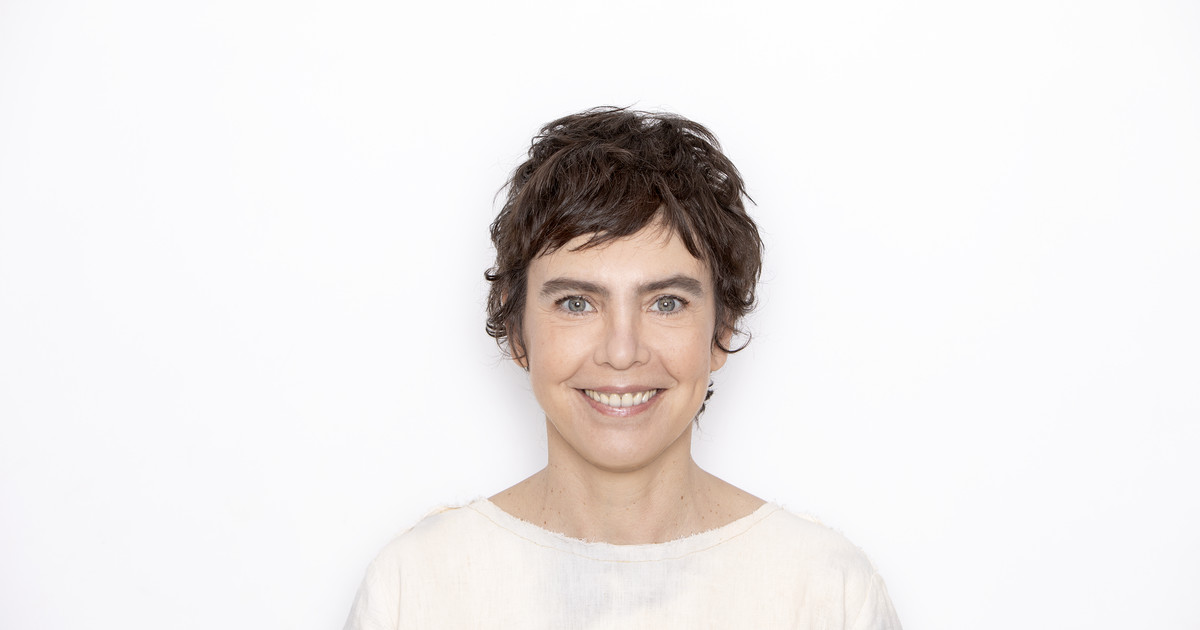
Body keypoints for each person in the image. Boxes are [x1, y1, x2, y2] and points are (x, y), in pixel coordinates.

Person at [343, 107, 902, 629]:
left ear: (721, 330)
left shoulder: (826, 593)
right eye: (576, 303)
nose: (621, 351)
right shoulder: (415, 587)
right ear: (516, 332)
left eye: (666, 303)